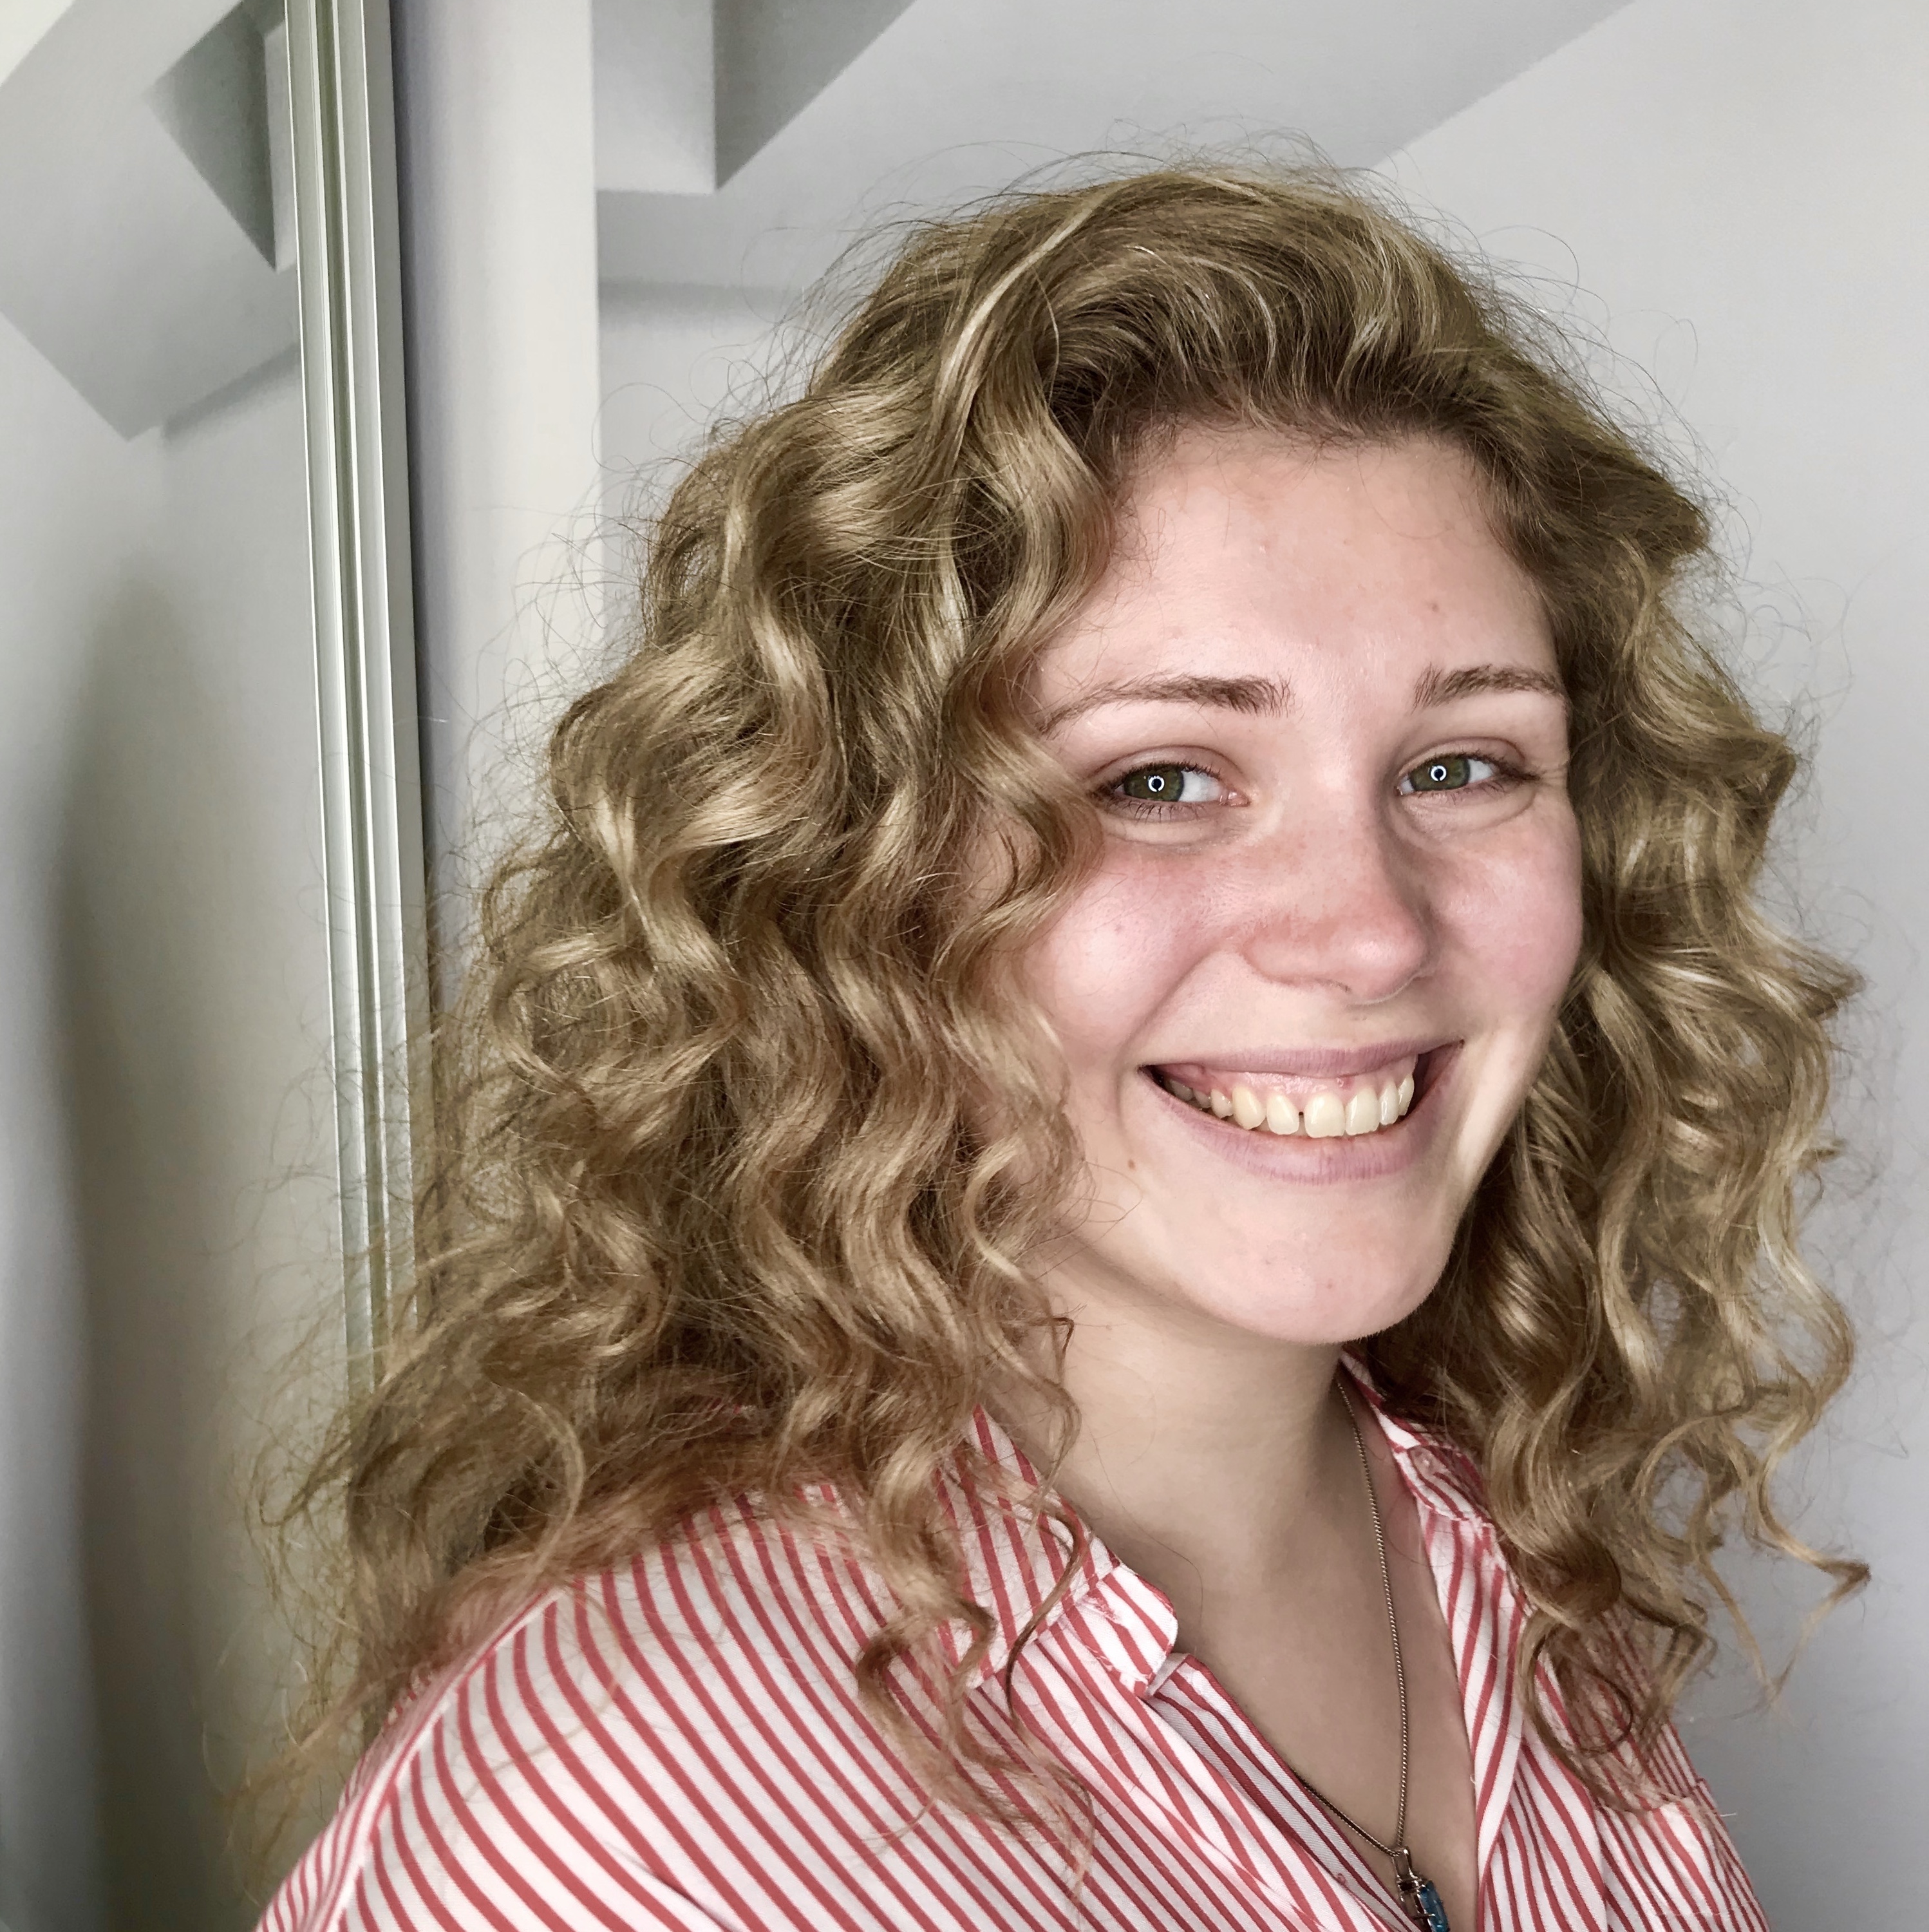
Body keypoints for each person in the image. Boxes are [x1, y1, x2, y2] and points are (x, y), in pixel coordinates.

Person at [259, 164, 1860, 1931]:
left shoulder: (1506, 1552)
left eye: (1462, 764)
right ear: (858, 873)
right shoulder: (614, 1825)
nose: (1368, 932)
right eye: (1157, 780)